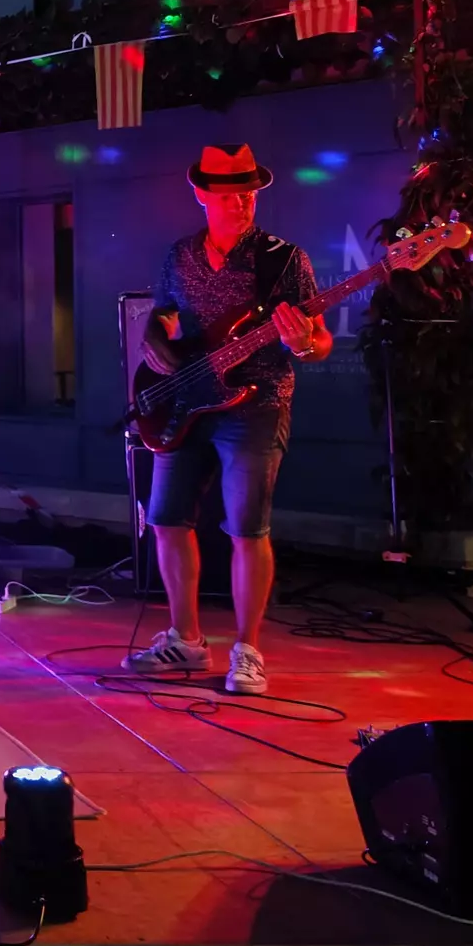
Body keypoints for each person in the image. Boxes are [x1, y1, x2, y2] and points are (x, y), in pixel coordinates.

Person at [129, 144, 329, 696]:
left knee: (246, 527)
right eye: (229, 193)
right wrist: (152, 337)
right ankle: (186, 639)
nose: (241, 202)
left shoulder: (284, 260)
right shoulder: (180, 255)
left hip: (257, 403)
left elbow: (319, 341)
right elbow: (165, 312)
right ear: (201, 195)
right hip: (187, 399)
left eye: (249, 193)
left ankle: (248, 650)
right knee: (166, 518)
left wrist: (305, 342)